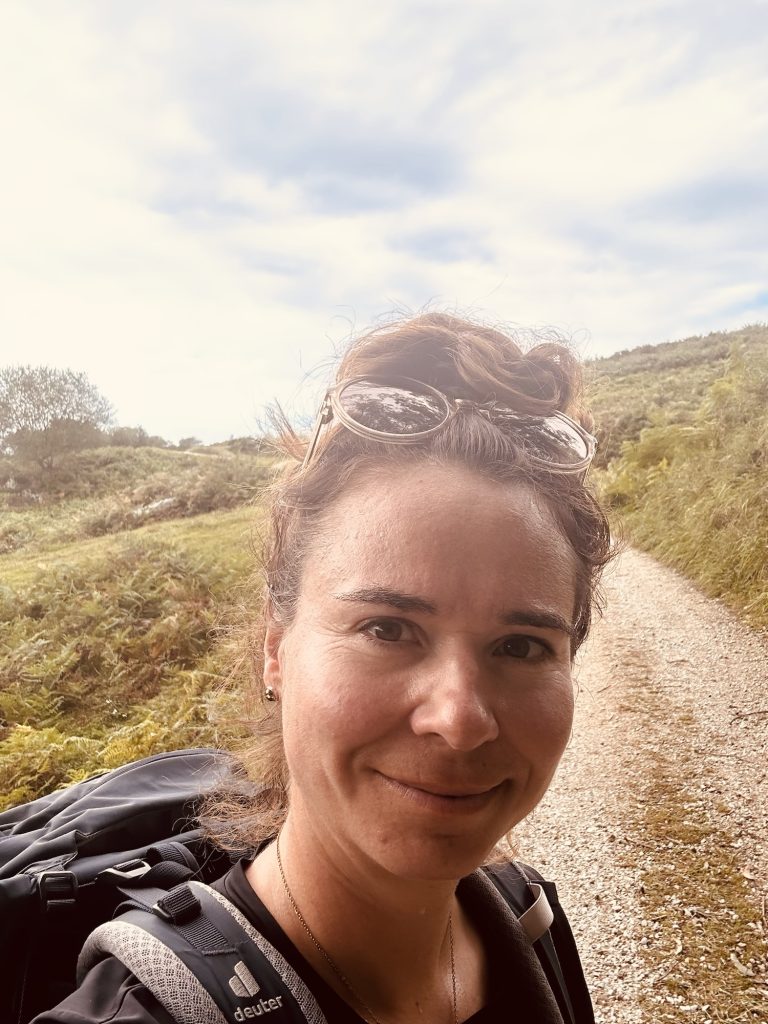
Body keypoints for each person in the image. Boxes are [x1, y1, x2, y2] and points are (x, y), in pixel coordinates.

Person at [36, 311, 612, 1024]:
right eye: (387, 629)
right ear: (275, 648)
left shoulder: (528, 919)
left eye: (521, 646)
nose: (460, 719)